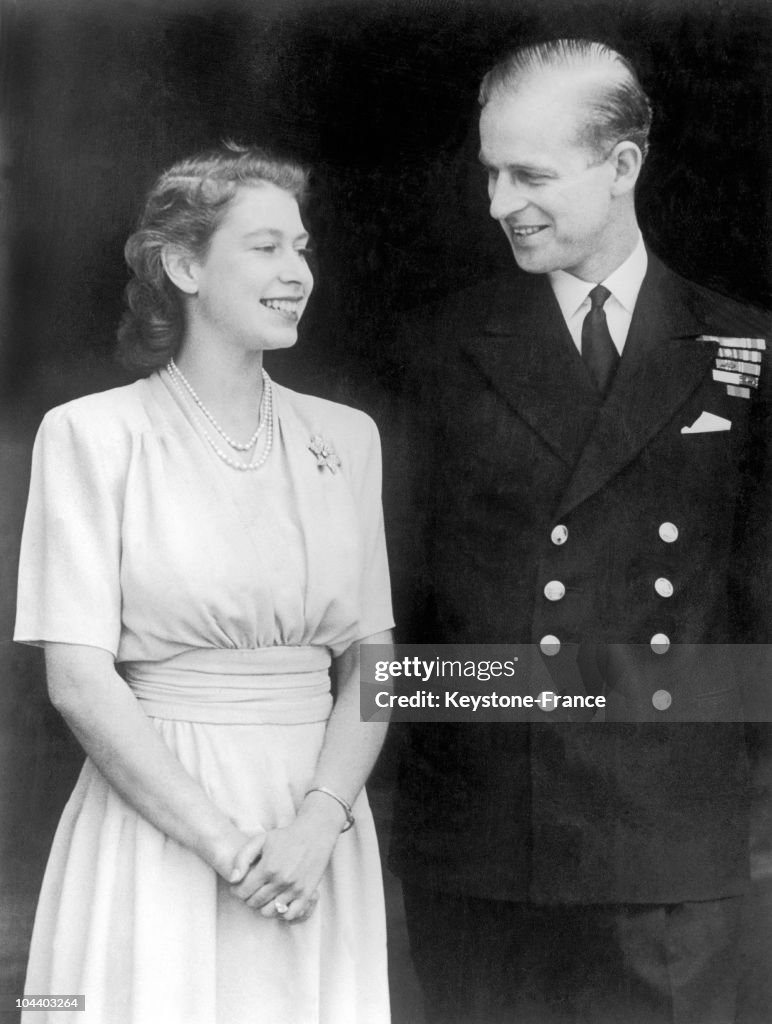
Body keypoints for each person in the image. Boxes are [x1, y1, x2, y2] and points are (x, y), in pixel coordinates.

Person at [390, 39, 771, 1024]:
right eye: (488, 172)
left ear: (622, 167)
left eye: (529, 175)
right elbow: (392, 617)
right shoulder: (437, 348)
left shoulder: (744, 349)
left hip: (668, 843)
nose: (497, 202)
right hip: (484, 840)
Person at [14, 143, 393, 1024]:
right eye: (265, 248)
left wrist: (315, 828)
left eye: (301, 248)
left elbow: (374, 658)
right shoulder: (91, 437)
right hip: (163, 824)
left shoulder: (348, 438)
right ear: (183, 265)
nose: (297, 271)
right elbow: (76, 679)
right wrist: (230, 851)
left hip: (316, 829)